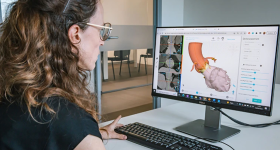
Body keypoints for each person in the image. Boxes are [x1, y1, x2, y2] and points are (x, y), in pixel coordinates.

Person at [0, 0, 126, 149]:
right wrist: (86, 137)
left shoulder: (10, 93)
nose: (102, 41)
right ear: (76, 34)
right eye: (101, 30)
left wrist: (95, 133)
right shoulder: (72, 123)